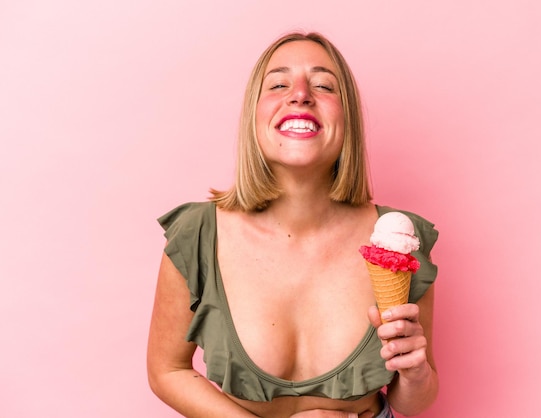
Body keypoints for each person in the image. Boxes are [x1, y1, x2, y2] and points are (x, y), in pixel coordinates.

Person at [147, 31, 439, 418]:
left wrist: (416, 373)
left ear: (347, 118)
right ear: (255, 114)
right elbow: (166, 370)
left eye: (323, 85)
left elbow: (413, 400)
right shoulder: (199, 234)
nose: (300, 94)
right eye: (279, 84)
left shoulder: (397, 240)